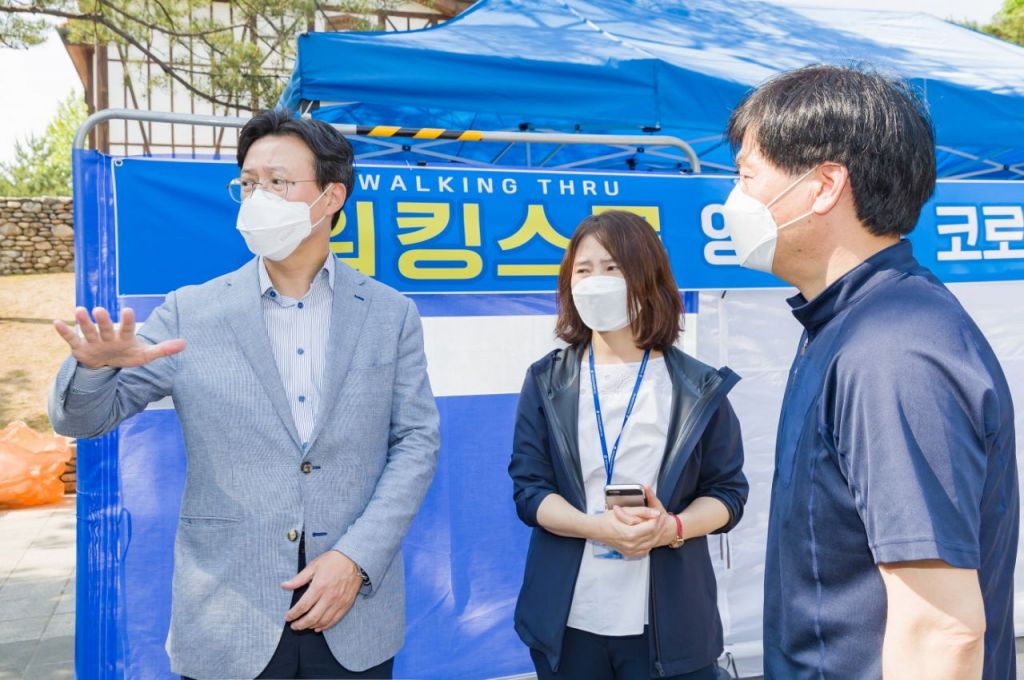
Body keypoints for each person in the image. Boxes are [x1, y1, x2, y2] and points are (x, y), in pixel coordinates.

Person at [48, 109, 440, 679]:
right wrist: (92, 368)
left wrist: (356, 558)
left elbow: (416, 442)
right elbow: (83, 419)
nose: (259, 197)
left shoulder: (389, 313)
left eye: (278, 182)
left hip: (352, 614)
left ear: (331, 196)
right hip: (227, 617)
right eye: (249, 184)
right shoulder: (192, 311)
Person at [721, 64, 1019, 679]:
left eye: (747, 176)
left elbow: (941, 629)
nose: (735, 198)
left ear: (825, 185)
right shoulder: (848, 324)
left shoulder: (894, 349)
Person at [508, 210, 748, 680]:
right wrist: (595, 527)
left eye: (612, 267)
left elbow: (728, 493)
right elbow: (529, 490)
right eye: (583, 269)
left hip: (672, 628)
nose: (595, 281)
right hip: (568, 622)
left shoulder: (698, 387)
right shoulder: (547, 380)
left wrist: (672, 527)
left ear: (646, 277)